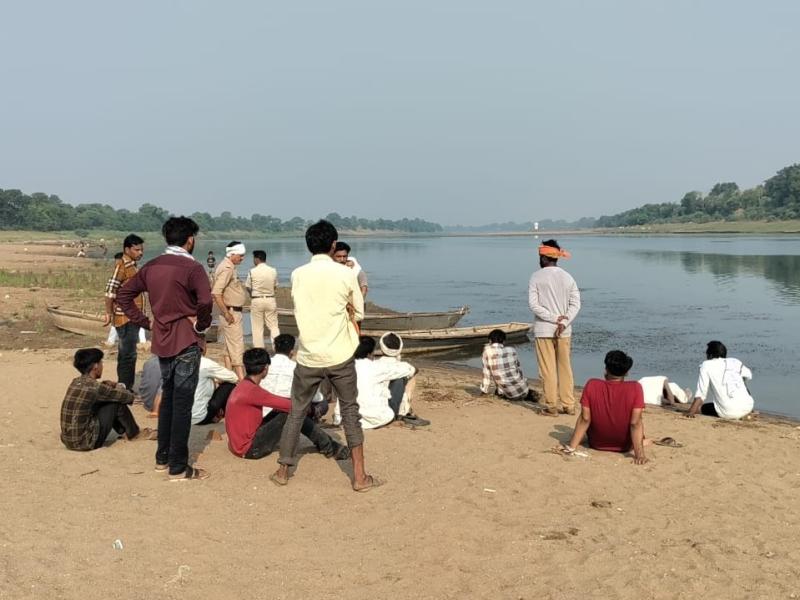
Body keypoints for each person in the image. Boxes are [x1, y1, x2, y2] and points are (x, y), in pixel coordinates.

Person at [272, 219, 376, 492]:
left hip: (308, 355)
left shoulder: (297, 274)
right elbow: (359, 311)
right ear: (333, 245)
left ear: (309, 246)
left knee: (296, 411)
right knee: (350, 410)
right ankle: (359, 476)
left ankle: (283, 470)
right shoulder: (345, 274)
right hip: (340, 354)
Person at [117, 216, 214, 481]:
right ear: (190, 240)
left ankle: (162, 458)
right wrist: (201, 325)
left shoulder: (152, 265)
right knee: (182, 402)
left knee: (170, 396)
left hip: (162, 338)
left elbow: (123, 295)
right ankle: (179, 466)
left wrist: (146, 321)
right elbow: (206, 301)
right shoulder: (192, 268)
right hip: (186, 339)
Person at [226, 348, 350, 461]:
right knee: (292, 412)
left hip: (237, 445)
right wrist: (312, 409)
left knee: (285, 409)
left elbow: (278, 402)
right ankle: (330, 447)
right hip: (250, 449)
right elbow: (289, 406)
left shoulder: (243, 386)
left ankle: (326, 444)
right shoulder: (252, 391)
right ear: (266, 368)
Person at [561, 350, 648, 465]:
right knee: (638, 420)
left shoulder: (592, 384)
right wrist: (640, 455)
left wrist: (571, 447)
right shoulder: (636, 388)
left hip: (596, 443)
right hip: (625, 445)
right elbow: (635, 423)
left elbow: (585, 419)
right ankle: (646, 443)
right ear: (626, 372)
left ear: (606, 369)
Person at [60, 348, 154, 451]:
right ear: (95, 366)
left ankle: (125, 432)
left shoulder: (76, 382)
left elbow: (94, 393)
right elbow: (126, 397)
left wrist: (106, 386)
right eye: (101, 363)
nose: (102, 366)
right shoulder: (96, 388)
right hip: (86, 442)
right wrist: (118, 386)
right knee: (115, 402)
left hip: (69, 440)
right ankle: (134, 433)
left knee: (105, 400)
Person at [528, 239, 581, 416]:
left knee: (547, 369)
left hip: (544, 329)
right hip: (564, 330)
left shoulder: (536, 277)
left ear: (544, 258)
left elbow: (534, 305)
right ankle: (569, 404)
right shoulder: (568, 277)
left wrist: (553, 318)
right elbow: (576, 304)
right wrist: (563, 322)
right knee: (565, 367)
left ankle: (551, 406)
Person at [339, 334, 428, 429]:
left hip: (347, 415)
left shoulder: (347, 367)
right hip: (377, 416)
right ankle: (405, 412)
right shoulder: (377, 367)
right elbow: (412, 369)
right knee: (401, 378)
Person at [102, 234, 145, 390]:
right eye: (137, 250)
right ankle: (125, 388)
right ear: (127, 249)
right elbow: (110, 291)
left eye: (141, 250)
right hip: (125, 317)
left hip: (133, 317)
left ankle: (126, 386)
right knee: (128, 355)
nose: (140, 253)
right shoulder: (122, 266)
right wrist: (109, 313)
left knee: (128, 354)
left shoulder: (133, 266)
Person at [260, 333, 326, 418]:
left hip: (263, 410)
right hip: (288, 410)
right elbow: (315, 397)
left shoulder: (264, 366)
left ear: (275, 348)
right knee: (322, 403)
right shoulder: (297, 368)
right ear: (292, 351)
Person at [686, 341, 755, 419]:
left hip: (729, 412)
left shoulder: (706, 365)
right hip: (748, 406)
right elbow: (749, 375)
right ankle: (747, 409)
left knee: (702, 408)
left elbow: (701, 393)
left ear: (710, 355)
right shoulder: (735, 361)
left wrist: (691, 411)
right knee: (742, 377)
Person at [212, 241, 248, 380]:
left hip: (230, 310)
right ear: (232, 254)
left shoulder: (227, 266)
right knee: (237, 344)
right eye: (240, 255)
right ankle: (241, 378)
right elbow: (216, 292)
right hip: (231, 311)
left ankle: (228, 375)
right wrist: (226, 313)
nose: (242, 258)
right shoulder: (227, 268)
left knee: (229, 345)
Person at [480, 328, 536, 401]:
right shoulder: (512, 350)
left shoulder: (487, 352)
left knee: (499, 380)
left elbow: (486, 374)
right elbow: (518, 369)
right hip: (524, 389)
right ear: (504, 341)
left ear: (490, 340)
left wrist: (484, 391)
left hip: (509, 394)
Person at [192, 347, 239, 425]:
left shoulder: (176, 361)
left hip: (182, 416)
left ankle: (217, 413)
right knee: (229, 385)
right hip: (199, 417)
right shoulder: (204, 363)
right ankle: (224, 416)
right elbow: (233, 377)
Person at [245, 249, 279, 348]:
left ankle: (259, 349)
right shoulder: (273, 270)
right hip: (270, 299)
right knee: (273, 326)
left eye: (253, 258)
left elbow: (248, 286)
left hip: (257, 299)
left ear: (257, 259)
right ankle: (277, 347)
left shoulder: (252, 271)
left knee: (257, 327)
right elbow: (275, 286)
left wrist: (252, 294)